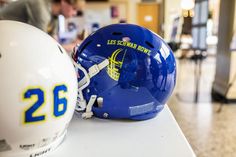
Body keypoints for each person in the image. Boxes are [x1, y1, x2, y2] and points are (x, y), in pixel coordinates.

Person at [0, 0, 85, 51]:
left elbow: (53, 43)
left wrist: (73, 44)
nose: (74, 13)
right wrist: (71, 46)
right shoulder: (40, 7)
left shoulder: (54, 16)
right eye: (74, 8)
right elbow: (41, 45)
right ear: (64, 2)